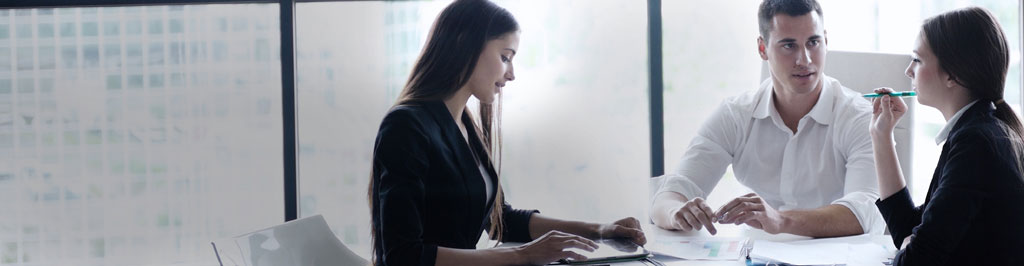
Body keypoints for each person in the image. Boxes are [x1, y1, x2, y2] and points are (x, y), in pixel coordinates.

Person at [368, 1, 646, 265]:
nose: (511, 74)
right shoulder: (406, 127)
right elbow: (402, 256)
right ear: (466, 45)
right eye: (505, 57)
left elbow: (502, 220)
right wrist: (522, 256)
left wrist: (601, 230)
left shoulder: (465, 125)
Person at [650, 0, 884, 237]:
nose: (804, 59)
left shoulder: (858, 117)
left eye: (813, 42)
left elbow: (866, 211)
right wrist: (677, 213)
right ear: (763, 49)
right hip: (758, 255)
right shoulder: (735, 115)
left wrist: (781, 220)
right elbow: (670, 194)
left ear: (825, 41)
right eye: (789, 46)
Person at [870, 6, 1024, 265]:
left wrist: (913, 244)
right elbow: (909, 230)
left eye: (917, 60)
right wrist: (881, 136)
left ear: (953, 74)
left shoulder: (976, 142)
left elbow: (917, 258)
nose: (909, 71)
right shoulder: (978, 129)